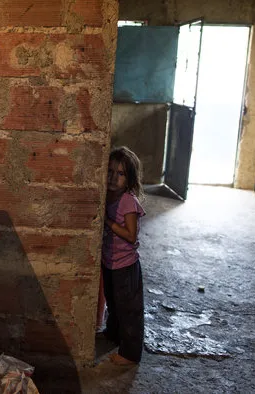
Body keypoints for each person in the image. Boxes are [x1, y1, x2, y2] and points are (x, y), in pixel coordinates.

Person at [101, 146, 145, 366]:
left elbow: (130, 235)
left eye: (120, 174)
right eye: (109, 171)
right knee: (114, 303)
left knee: (129, 310)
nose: (112, 178)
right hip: (109, 262)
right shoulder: (106, 195)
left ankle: (130, 353)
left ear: (129, 180)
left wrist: (107, 222)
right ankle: (113, 334)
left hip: (125, 265)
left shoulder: (128, 201)